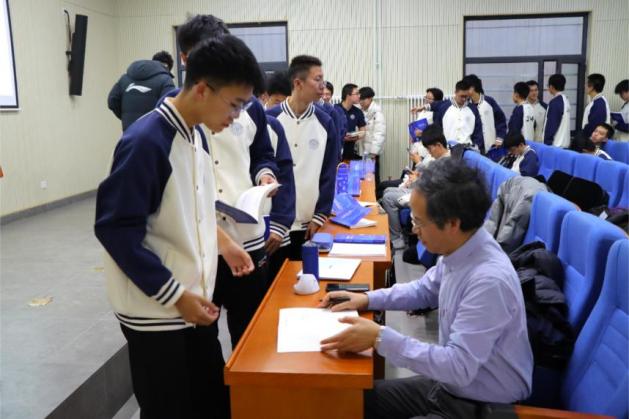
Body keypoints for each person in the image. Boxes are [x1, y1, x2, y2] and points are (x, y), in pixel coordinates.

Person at [94, 35, 263, 419]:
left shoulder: (195, 133)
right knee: (169, 408)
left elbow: (194, 209)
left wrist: (224, 244)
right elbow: (115, 229)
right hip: (155, 312)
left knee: (212, 401)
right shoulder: (146, 141)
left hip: (190, 304)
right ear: (202, 89)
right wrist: (175, 295)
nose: (237, 116)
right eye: (235, 104)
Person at [319, 158, 533, 419]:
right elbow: (423, 290)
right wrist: (366, 299)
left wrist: (379, 337)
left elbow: (458, 366)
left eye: (419, 222)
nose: (414, 229)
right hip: (449, 388)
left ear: (452, 223)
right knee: (350, 403)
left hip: (479, 406)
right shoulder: (461, 248)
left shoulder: (488, 280)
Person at [168, 14, 292, 350]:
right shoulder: (173, 113)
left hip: (246, 234)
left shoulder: (249, 107)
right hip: (199, 244)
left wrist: (265, 175)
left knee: (251, 333)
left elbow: (263, 154)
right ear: (186, 60)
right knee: (201, 339)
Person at [266, 55, 339, 260]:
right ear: (298, 83)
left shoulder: (325, 122)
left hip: (308, 223)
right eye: (317, 79)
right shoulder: (270, 119)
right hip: (274, 224)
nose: (323, 86)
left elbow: (329, 172)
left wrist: (320, 215)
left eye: (323, 79)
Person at [381, 125, 449, 251]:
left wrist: (418, 171)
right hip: (422, 189)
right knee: (387, 190)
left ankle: (397, 239)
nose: (429, 152)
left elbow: (435, 186)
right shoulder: (438, 158)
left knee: (388, 198)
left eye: (430, 149)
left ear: (438, 145)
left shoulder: (447, 162)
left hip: (427, 196)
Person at [107, 50, 175, 130]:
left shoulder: (125, 78)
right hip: (153, 134)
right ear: (167, 67)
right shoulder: (166, 80)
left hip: (129, 132)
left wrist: (126, 117)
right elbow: (170, 109)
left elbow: (112, 101)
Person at [420, 80, 483, 151]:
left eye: (466, 97)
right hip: (448, 149)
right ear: (455, 92)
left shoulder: (473, 109)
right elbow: (438, 129)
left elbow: (478, 131)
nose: (464, 99)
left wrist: (476, 147)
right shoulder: (444, 107)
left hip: (468, 150)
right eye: (462, 96)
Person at [465, 74, 507, 153]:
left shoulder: (489, 101)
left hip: (491, 146)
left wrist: (500, 138)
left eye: (465, 88)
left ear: (472, 88)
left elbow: (501, 120)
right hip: (474, 148)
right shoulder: (466, 105)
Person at [359, 86, 386, 183]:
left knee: (372, 177)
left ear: (370, 98)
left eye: (363, 99)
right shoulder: (362, 111)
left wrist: (374, 152)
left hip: (371, 152)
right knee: (364, 177)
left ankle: (377, 192)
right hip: (364, 151)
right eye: (360, 99)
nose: (361, 102)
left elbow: (379, 133)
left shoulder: (377, 113)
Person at [336, 83, 367, 160]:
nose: (359, 96)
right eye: (357, 94)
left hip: (350, 150)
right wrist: (341, 137)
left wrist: (355, 137)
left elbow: (363, 131)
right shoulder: (335, 109)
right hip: (336, 149)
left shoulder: (358, 112)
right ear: (348, 95)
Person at [543, 74, 571, 148]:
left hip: (556, 145)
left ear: (551, 87)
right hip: (565, 143)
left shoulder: (555, 102)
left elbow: (552, 125)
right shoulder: (566, 100)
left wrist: (547, 143)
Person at [582, 73, 611, 139]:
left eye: (586, 83)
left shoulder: (599, 104)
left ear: (591, 87)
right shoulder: (596, 101)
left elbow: (594, 126)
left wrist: (582, 137)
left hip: (593, 141)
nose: (584, 85)